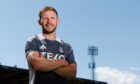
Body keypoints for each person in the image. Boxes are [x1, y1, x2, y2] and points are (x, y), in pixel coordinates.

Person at [25, 6, 77, 84]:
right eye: (45, 18)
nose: (49, 21)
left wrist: (45, 62)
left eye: (52, 18)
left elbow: (72, 73)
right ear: (40, 22)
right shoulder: (33, 41)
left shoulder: (66, 46)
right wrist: (61, 63)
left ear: (58, 21)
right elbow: (37, 65)